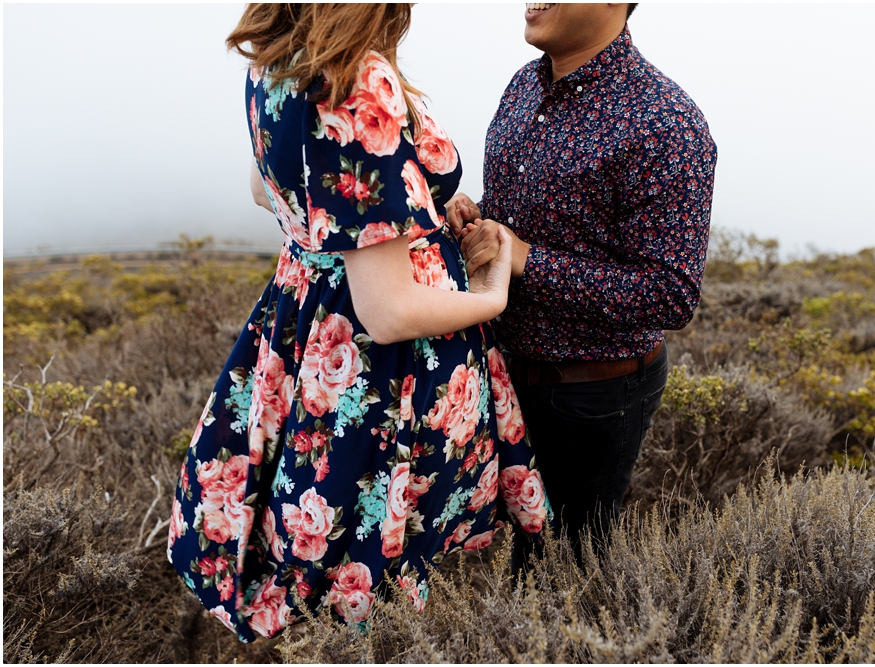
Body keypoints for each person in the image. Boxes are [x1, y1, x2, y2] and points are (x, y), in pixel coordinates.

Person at [167, 3, 549, 643]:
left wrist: (419, 205)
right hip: (380, 361)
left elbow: (269, 188)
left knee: (315, 525)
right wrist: (492, 290)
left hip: (305, 322)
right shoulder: (354, 74)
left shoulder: (278, 58)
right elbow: (391, 310)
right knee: (372, 551)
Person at [447, 3, 717, 572]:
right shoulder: (523, 85)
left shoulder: (666, 121)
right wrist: (477, 222)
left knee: (564, 570)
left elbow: (669, 293)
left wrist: (524, 259)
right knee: (491, 555)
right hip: (501, 373)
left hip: (591, 398)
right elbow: (534, 219)